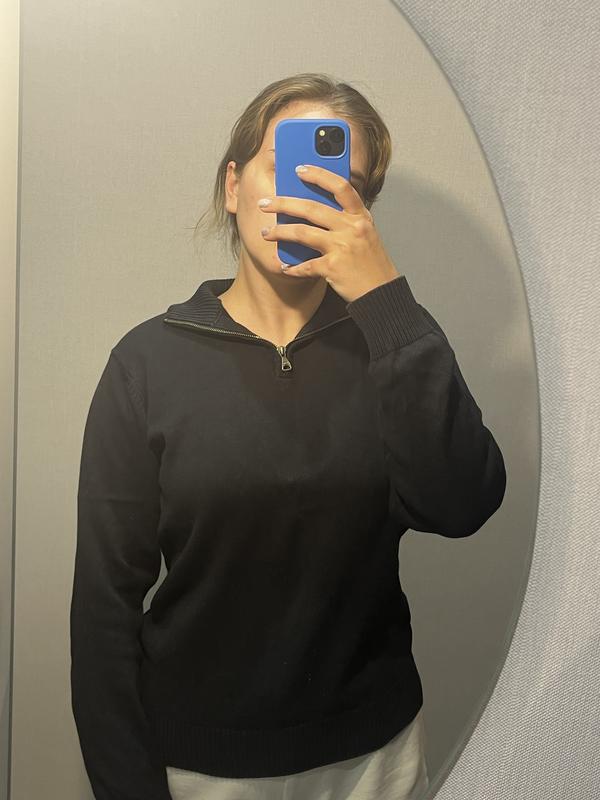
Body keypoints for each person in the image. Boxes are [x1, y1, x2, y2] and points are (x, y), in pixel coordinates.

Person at [70, 72, 506, 800]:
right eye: (282, 167)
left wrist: (385, 300)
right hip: (204, 767)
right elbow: (103, 609)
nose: (303, 195)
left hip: (376, 760)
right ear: (232, 185)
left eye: (339, 182)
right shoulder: (146, 364)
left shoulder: (393, 343)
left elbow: (461, 504)